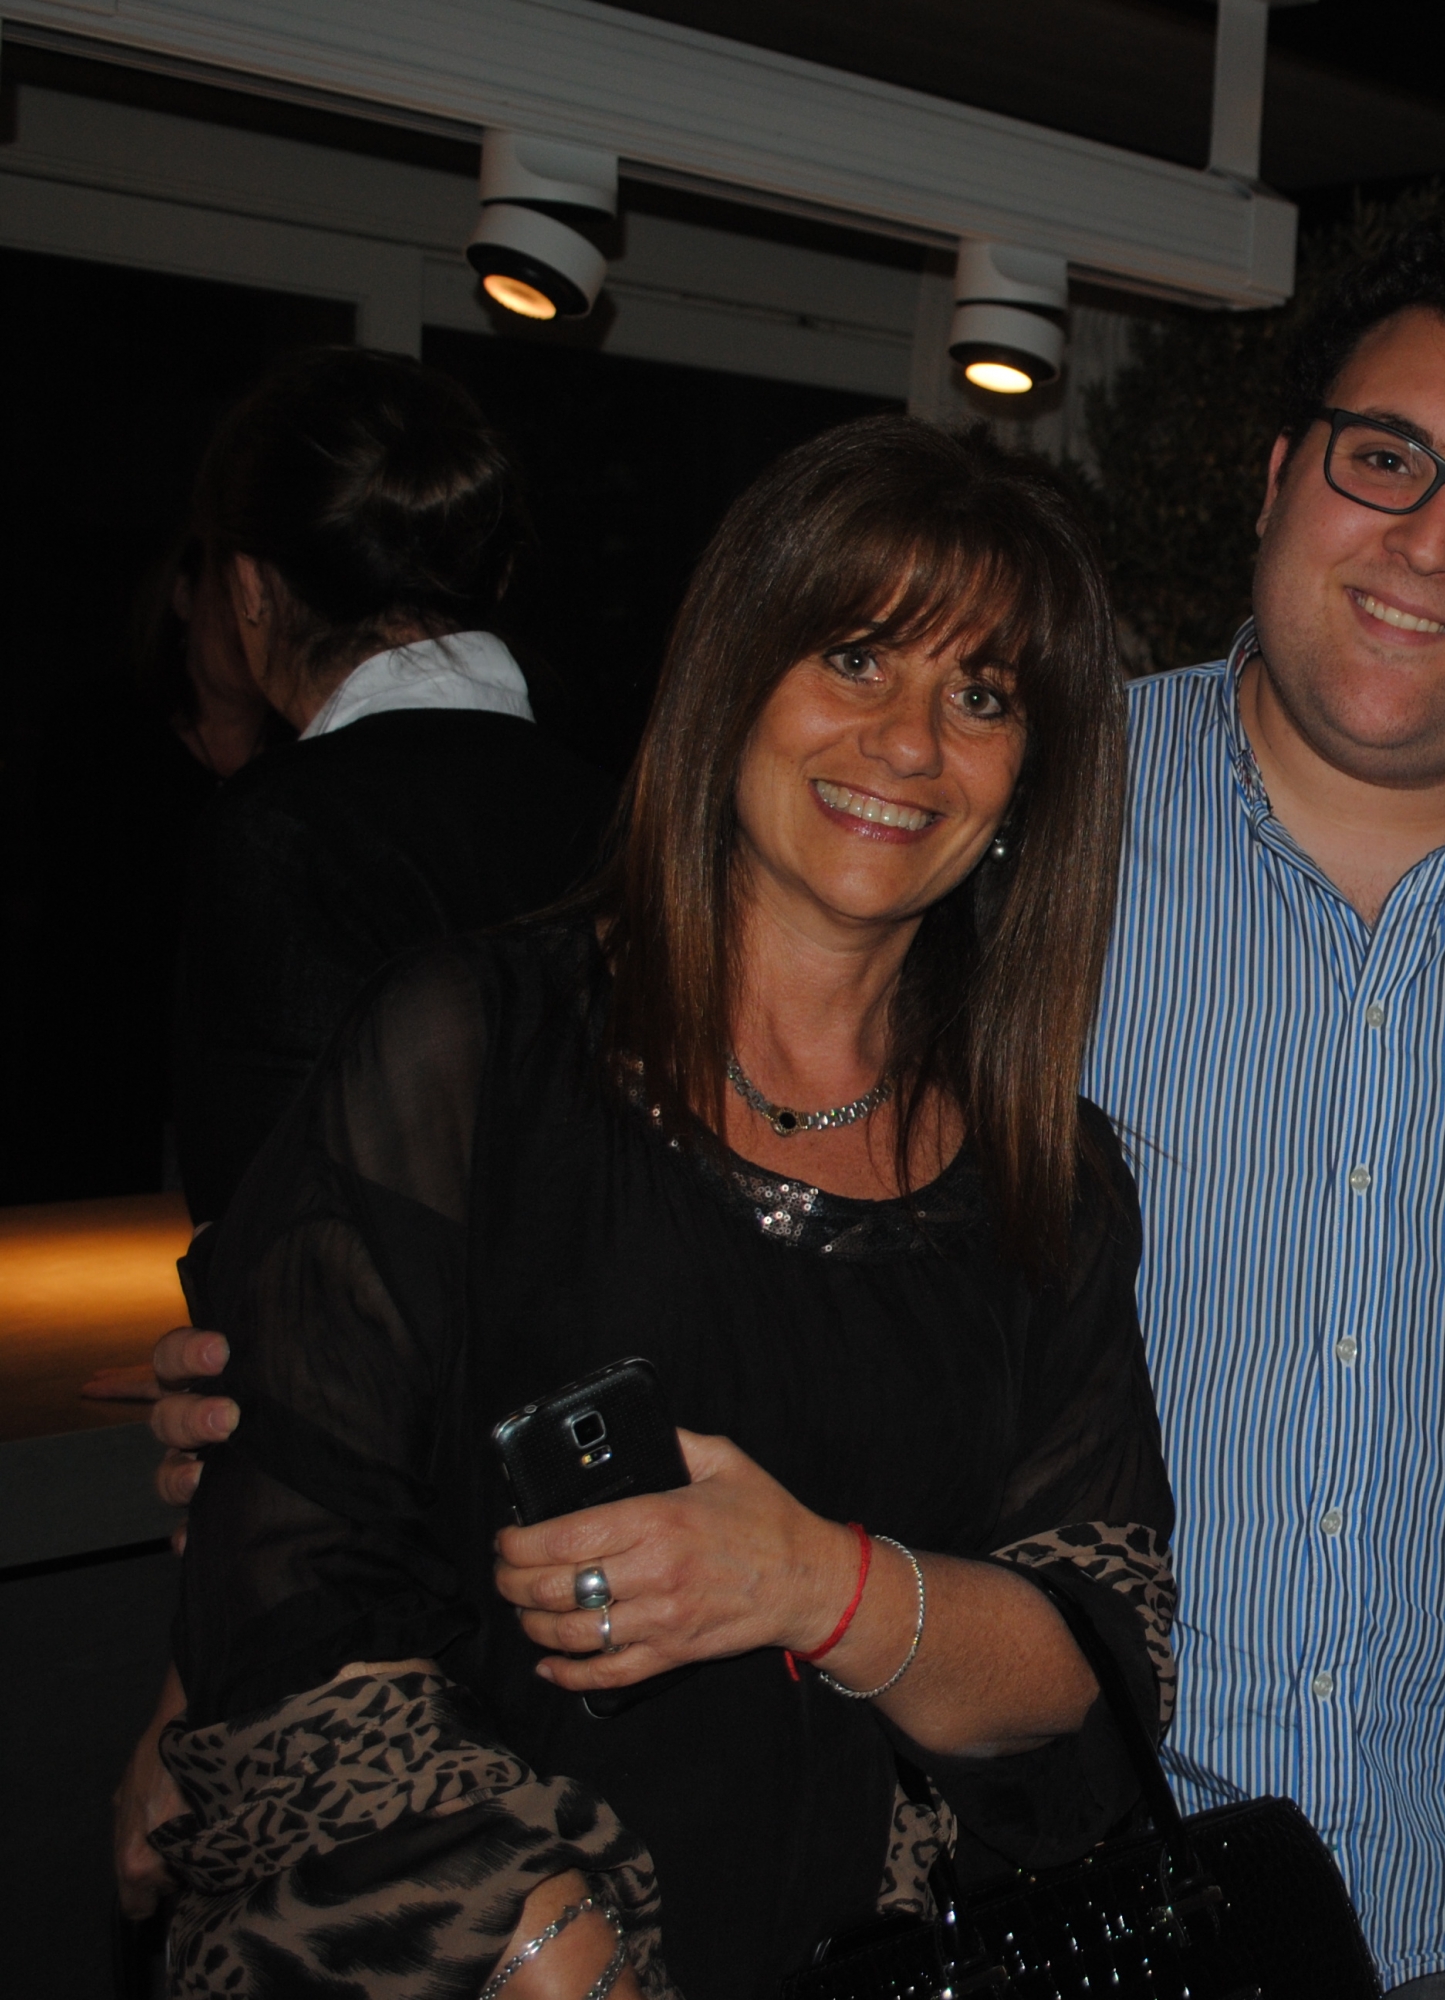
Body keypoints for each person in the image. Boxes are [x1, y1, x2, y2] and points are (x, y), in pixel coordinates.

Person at [145, 207, 1445, 1995]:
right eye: (1386, 458)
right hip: (946, 1905)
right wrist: (231, 1650)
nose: (1431, 540)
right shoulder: (1005, 844)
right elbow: (346, 1485)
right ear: (1281, 476)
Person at [143, 417, 1172, 1999]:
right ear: (735, 675)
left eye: (982, 697)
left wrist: (811, 1582)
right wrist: (544, 1947)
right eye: (854, 657)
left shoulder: (1053, 1179)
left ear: (1029, 779)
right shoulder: (474, 1052)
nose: (910, 742)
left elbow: (1092, 1652)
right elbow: (290, 1587)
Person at [169, 346, 612, 1225]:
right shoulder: (625, 811)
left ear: (252, 588)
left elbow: (275, 1230)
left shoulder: (283, 830)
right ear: (497, 573)